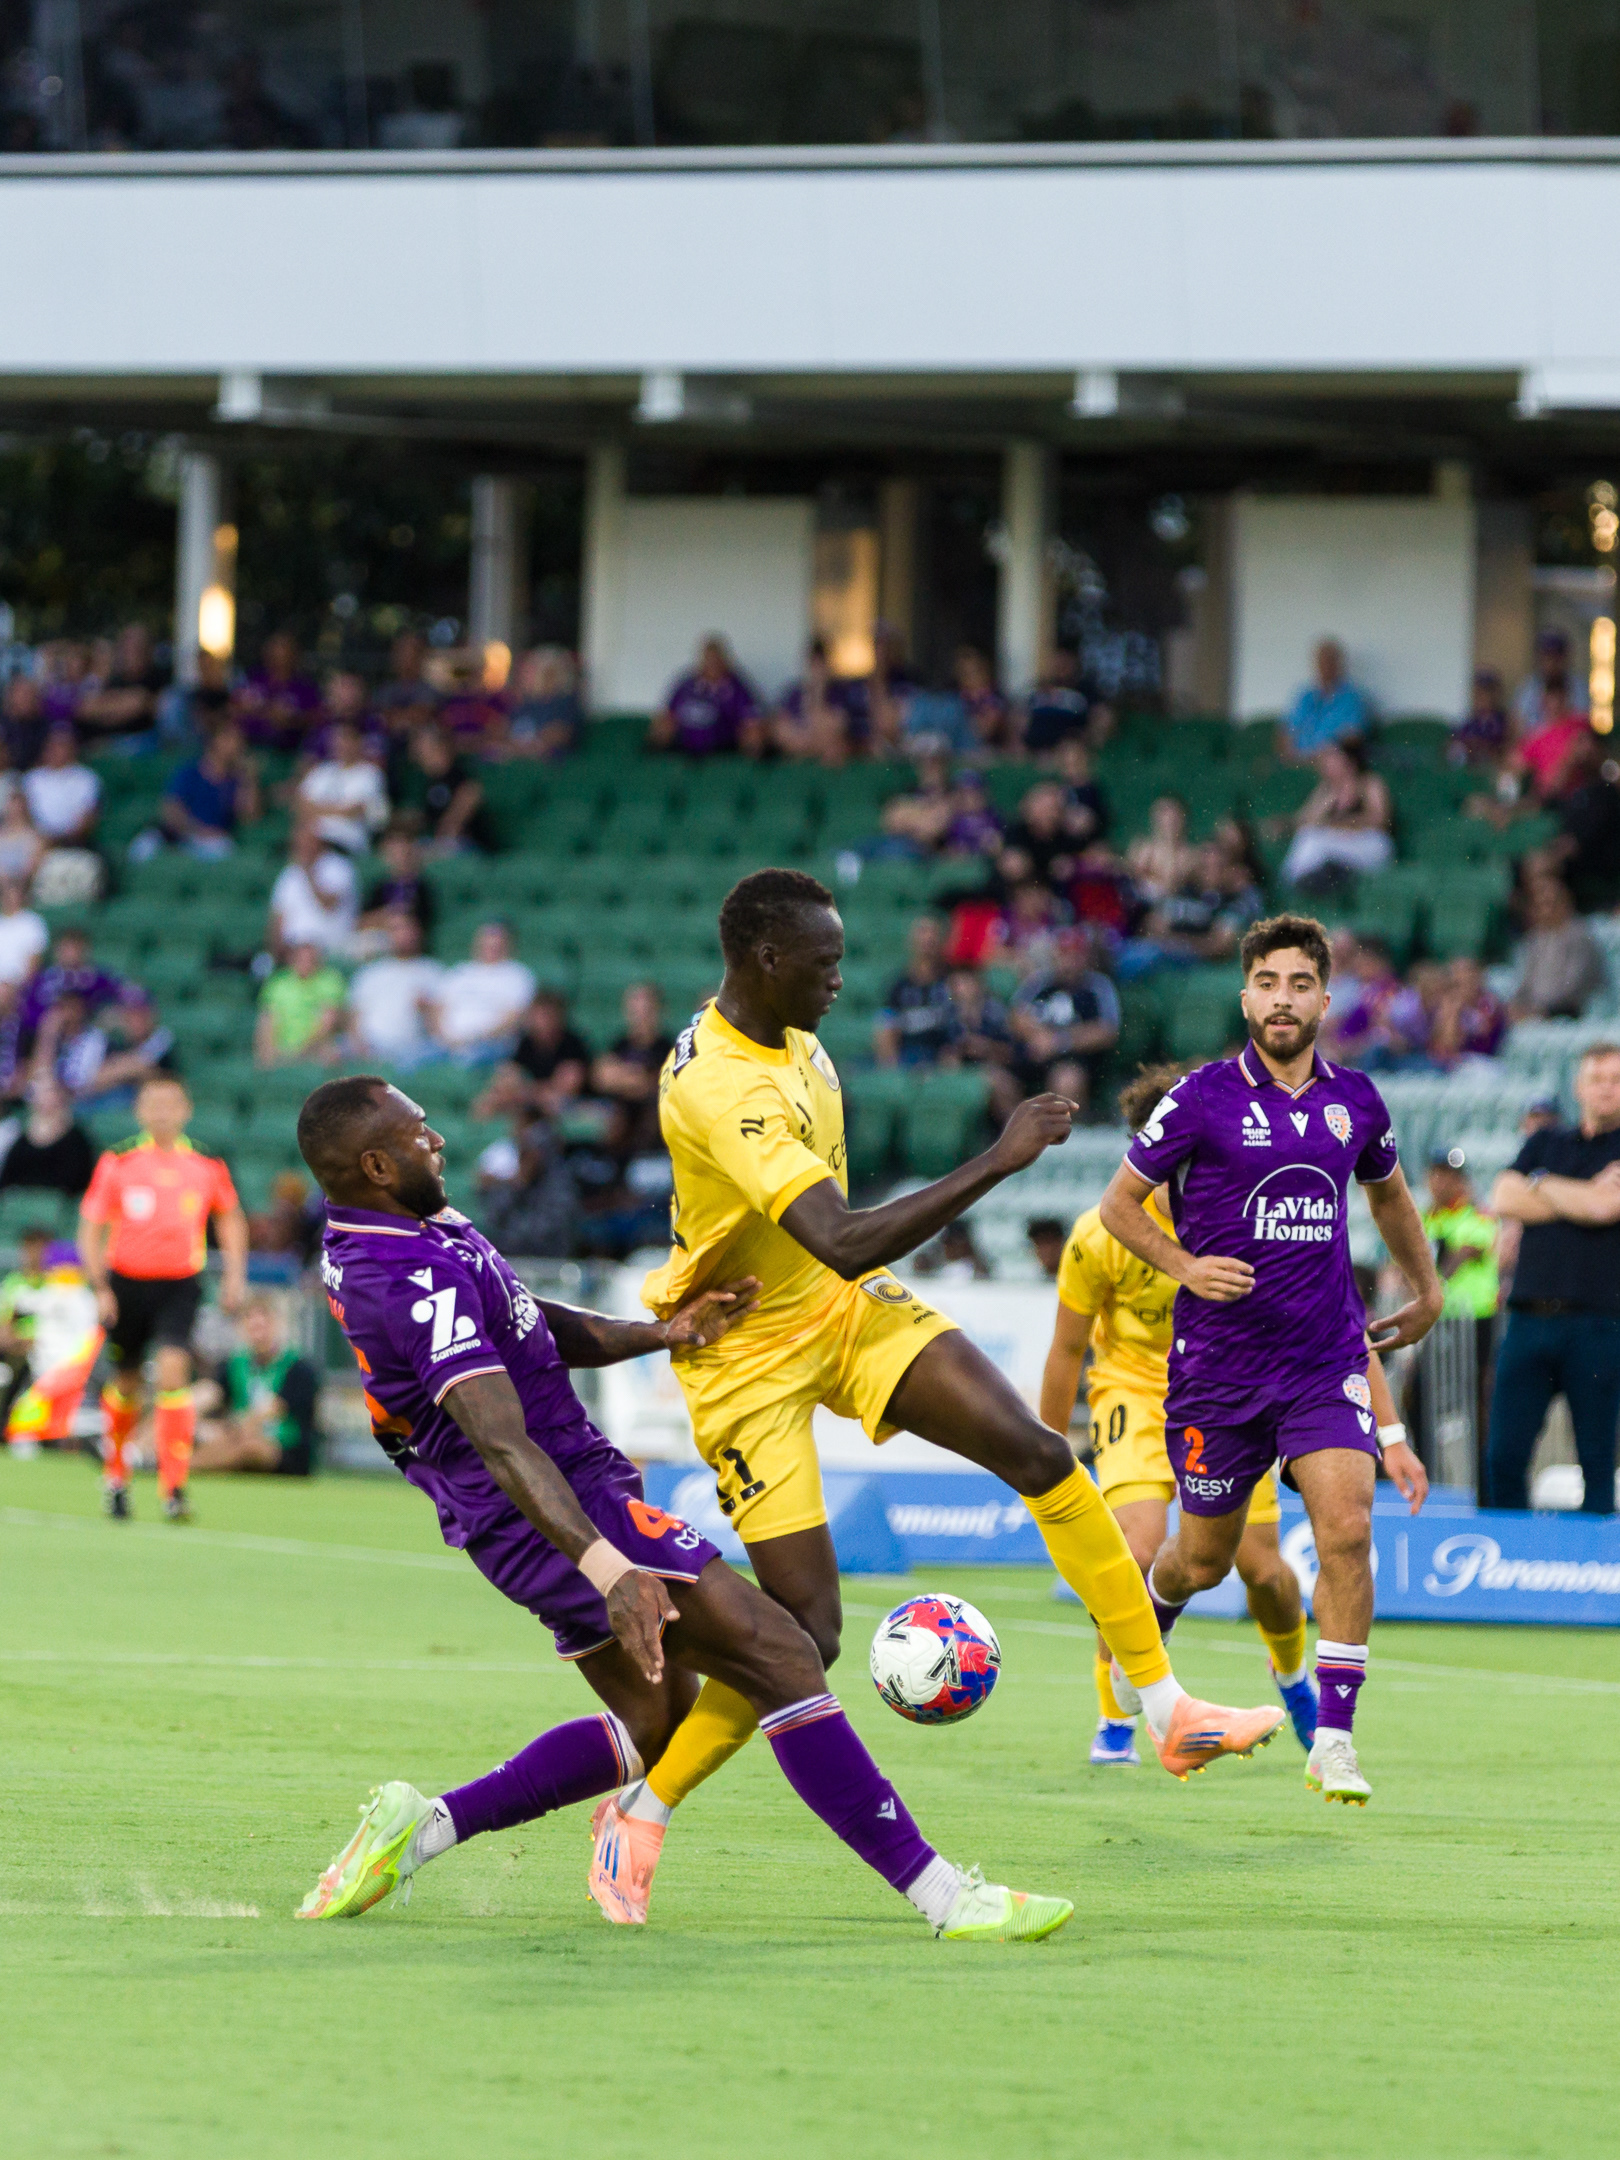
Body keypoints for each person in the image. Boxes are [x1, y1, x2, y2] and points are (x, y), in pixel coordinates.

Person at [592, 869, 1283, 1921]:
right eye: (824, 962)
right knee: (805, 1634)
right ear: (766, 961)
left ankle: (1166, 1707)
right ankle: (642, 1812)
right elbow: (841, 1234)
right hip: (744, 1354)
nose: (840, 979)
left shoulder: (795, 1038)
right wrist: (999, 1161)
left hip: (841, 1309)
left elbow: (834, 1257)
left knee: (1039, 1452)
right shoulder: (720, 1087)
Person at [291, 1074, 1072, 1943]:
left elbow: (523, 1319)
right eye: (418, 1132)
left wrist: (659, 1334)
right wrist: (609, 1568)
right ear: (376, 1165)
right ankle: (947, 1898)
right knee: (783, 1651)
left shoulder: (411, 1228)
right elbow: (503, 1442)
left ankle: (423, 1828)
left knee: (656, 1722)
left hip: (535, 1510)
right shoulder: (404, 1275)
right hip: (551, 1508)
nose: (436, 1140)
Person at [1097, 913, 1442, 1805]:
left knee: (1348, 1528)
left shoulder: (1357, 1101)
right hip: (1218, 1372)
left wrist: (1428, 1288)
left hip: (1322, 1361)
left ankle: (1335, 1741)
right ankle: (1145, 1636)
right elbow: (1118, 1206)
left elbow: (1391, 1198)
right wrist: (1183, 1265)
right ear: (1244, 997)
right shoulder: (1200, 1098)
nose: (1282, 999)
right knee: (1202, 1561)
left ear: (1325, 1000)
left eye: (1300, 984)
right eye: (1267, 984)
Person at [1044, 1063, 1408, 1765]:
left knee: (1264, 1572)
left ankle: (1294, 1679)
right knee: (1138, 1550)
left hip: (1236, 1390)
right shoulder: (1100, 1234)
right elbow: (1065, 1350)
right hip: (1134, 1393)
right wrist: (1049, 1449)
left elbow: (1334, 1326)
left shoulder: (1246, 1212)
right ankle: (1117, 1717)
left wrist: (1389, 1431)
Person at [78, 1075, 248, 1522]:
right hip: (126, 1284)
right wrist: (99, 1286)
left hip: (179, 1283)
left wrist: (234, 1276)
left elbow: (230, 1218)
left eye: (170, 1104)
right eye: (153, 1104)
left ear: (185, 1110)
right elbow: (91, 1227)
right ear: (139, 1111)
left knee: (173, 1374)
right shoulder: (118, 1161)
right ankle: (116, 1475)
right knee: (127, 1384)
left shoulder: (206, 1163)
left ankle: (173, 1487)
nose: (162, 1113)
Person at [1485, 1042, 1620, 1515]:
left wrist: (1540, 1185)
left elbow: (1606, 1207)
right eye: (1597, 1079)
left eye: (1616, 1080)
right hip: (1528, 1319)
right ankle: (1510, 1551)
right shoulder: (1545, 1142)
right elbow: (1503, 1197)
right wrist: (1582, 1195)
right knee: (1502, 1458)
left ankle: (1598, 1558)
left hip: (1598, 1324)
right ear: (1579, 1087)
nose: (1606, 1089)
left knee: (1597, 1462)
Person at [193, 1296, 321, 1477]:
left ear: (277, 1324)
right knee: (211, 1434)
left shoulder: (298, 1368)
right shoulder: (235, 1364)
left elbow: (272, 1409)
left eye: (263, 1326)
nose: (258, 1335)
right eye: (252, 1327)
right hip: (239, 1436)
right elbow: (209, 1392)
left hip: (285, 1450)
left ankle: (185, 1466)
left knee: (250, 1447)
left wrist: (234, 1428)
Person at [3, 1238, 103, 1459]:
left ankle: (85, 1433)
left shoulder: (52, 1294)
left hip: (56, 1369)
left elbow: (19, 1303)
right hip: (70, 1370)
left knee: (34, 1414)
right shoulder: (87, 1299)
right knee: (57, 1412)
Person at [1008, 930, 1121, 1115]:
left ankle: (1068, 1132)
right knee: (1001, 1079)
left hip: (1076, 1060)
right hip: (1034, 1056)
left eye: (1075, 956)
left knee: (1066, 1080)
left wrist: (1059, 1041)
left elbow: (1107, 1031)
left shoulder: (1097, 986)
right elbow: (1016, 1016)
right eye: (1064, 955)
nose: (1069, 962)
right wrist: (1038, 1035)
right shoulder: (1040, 982)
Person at [1280, 741, 1394, 888]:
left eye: (1332, 760)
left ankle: (1291, 884)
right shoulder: (1325, 789)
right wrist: (1327, 802)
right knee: (1307, 836)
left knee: (1312, 840)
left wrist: (1338, 823)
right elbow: (1305, 821)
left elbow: (1380, 820)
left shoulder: (1369, 783)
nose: (1325, 765)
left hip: (1370, 842)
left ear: (1349, 762)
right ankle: (1298, 883)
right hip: (1340, 845)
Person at [474, 990, 592, 1122]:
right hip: (534, 1099)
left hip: (574, 1104)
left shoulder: (573, 1043)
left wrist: (530, 1091)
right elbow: (510, 1074)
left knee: (552, 1102)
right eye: (538, 1016)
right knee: (491, 1101)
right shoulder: (526, 1043)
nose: (542, 1022)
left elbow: (569, 1084)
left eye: (547, 1016)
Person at [344, 912, 444, 1067]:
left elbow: (441, 1025)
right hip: (370, 1045)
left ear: (417, 932)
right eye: (395, 929)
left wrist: (426, 1008)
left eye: (406, 928)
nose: (401, 935)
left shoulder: (432, 972)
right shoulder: (369, 973)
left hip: (412, 1048)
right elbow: (354, 1018)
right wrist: (360, 1046)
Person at [150, 720, 260, 856]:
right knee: (146, 845)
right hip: (182, 834)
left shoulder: (237, 780)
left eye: (239, 740)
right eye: (229, 739)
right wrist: (198, 830)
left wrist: (250, 777)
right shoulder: (189, 772)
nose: (236, 745)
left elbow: (250, 816)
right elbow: (171, 811)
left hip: (215, 841)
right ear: (214, 741)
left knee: (224, 848)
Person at [431, 921, 535, 1062]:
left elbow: (514, 1018)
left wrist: (473, 1039)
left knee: (469, 1060)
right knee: (411, 1060)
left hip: (490, 1044)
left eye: (497, 942)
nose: (491, 946)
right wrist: (445, 1038)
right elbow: (437, 1010)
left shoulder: (518, 974)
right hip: (447, 1043)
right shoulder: (459, 972)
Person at [591, 982, 674, 1153]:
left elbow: (653, 1084)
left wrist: (622, 1077)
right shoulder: (620, 1044)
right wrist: (636, 1076)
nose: (641, 1017)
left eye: (646, 1011)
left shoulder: (667, 1047)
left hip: (651, 1121)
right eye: (636, 1011)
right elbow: (601, 1078)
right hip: (621, 1115)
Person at [648, 637, 764, 759]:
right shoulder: (687, 685)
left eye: (716, 660)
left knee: (754, 734)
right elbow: (668, 714)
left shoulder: (736, 687)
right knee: (662, 726)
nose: (712, 664)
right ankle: (652, 760)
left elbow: (751, 719)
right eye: (708, 660)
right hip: (685, 742)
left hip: (722, 744)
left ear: (725, 661)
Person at [1508, 875, 1605, 1021]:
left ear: (1565, 904)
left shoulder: (1579, 936)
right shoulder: (1535, 939)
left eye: (1550, 904)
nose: (1545, 910)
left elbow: (1574, 986)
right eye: (1540, 906)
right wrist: (1517, 1005)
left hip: (1570, 1013)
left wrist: (1539, 1009)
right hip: (1537, 1012)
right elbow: (1525, 984)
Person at [391, 722, 490, 853]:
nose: (415, 754)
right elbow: (418, 818)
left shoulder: (463, 775)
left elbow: (454, 825)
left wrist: (432, 848)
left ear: (439, 747)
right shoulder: (427, 781)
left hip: (465, 846)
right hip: (433, 843)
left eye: (421, 749)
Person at [296, 719, 389, 854]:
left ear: (358, 742)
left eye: (346, 738)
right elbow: (301, 806)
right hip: (313, 841)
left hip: (346, 843)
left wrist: (317, 809)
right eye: (337, 739)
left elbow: (354, 811)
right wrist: (339, 810)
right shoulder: (321, 771)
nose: (340, 744)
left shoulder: (370, 774)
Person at [268, 825, 359, 962]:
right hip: (293, 951)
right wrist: (276, 952)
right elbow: (278, 916)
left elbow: (328, 905)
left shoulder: (339, 867)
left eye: (307, 842)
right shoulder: (290, 872)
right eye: (298, 843)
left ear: (319, 842)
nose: (302, 847)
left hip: (328, 948)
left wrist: (308, 873)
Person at [872, 916, 954, 1067]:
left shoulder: (952, 980)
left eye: (933, 933)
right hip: (908, 1055)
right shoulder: (898, 985)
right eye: (923, 932)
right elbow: (887, 1023)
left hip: (943, 1055)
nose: (928, 939)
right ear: (911, 940)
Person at [0, 1073, 95, 1197]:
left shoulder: (76, 1140)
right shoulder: (20, 1141)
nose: (43, 1096)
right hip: (22, 1204)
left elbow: (77, 1183)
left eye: (49, 1090)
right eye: (38, 1090)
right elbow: (6, 1183)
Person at [255, 941, 348, 1067]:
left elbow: (327, 1024)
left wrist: (299, 1052)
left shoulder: (330, 981)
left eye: (310, 960)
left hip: (315, 1047)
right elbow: (267, 1021)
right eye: (301, 959)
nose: (305, 964)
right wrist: (271, 1051)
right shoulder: (278, 983)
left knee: (330, 1053)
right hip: (282, 1048)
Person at [1280, 639, 1369, 760]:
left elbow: (1354, 738)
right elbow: (1286, 732)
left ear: (1339, 665)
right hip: (1300, 761)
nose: (1326, 667)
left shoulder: (1352, 698)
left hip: (1332, 761)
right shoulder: (1305, 697)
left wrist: (1326, 753)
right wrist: (1290, 755)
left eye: (1330, 661)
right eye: (1321, 662)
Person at [23, 724, 100, 847]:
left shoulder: (86, 778)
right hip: (35, 842)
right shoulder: (32, 778)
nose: (56, 750)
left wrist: (63, 840)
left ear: (73, 748)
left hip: (73, 843)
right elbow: (24, 814)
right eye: (52, 745)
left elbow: (87, 816)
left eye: (62, 745)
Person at [506, 646, 582, 760]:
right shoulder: (525, 703)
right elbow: (505, 731)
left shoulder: (566, 703)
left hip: (551, 762)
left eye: (551, 673)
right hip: (518, 758)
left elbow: (561, 734)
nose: (546, 679)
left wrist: (531, 744)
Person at [1022, 650, 1089, 756]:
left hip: (1065, 746)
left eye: (1064, 664)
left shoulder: (1079, 695)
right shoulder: (1033, 694)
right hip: (1035, 747)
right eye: (1057, 664)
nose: (1060, 668)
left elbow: (1081, 726)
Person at [0, 875, 47, 1000]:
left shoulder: (33, 922)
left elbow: (34, 964)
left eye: (15, 894)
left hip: (17, 986)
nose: (11, 898)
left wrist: (20, 987)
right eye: (7, 894)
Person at [1025, 1215, 1065, 1281]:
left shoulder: (1075, 1274)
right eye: (1039, 1243)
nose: (1046, 1250)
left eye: (1049, 1242)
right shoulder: (1029, 1280)